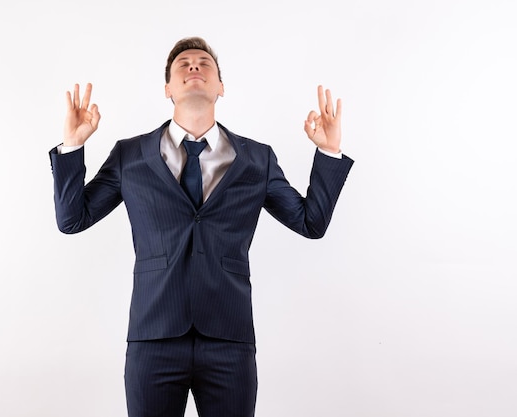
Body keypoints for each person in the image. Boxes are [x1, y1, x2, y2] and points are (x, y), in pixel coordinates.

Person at [49, 37, 353, 417]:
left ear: (221, 88)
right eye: (184, 64)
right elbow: (72, 219)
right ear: (168, 89)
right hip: (154, 336)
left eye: (204, 63)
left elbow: (312, 222)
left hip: (229, 339)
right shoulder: (130, 155)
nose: (194, 67)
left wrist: (328, 151)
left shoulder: (257, 159)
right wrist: (72, 146)